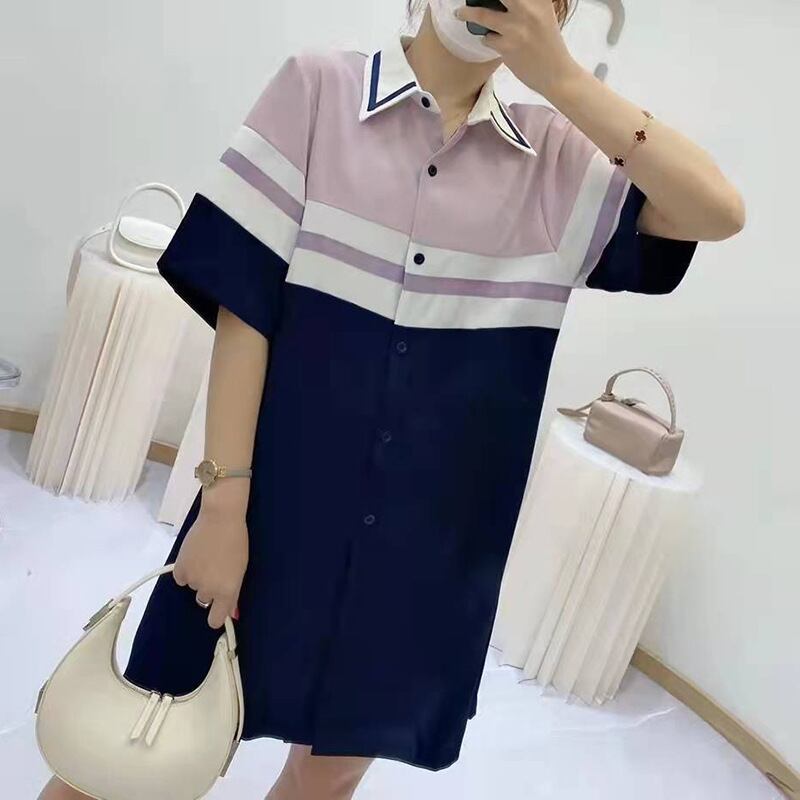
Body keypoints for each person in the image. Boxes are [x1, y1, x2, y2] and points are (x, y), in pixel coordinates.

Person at [39, 0, 745, 798]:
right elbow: (245, 311)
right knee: (125, 750)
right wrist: (224, 511)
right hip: (269, 512)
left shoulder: (557, 160)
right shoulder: (317, 93)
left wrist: (562, 80)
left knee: (327, 775)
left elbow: (716, 211)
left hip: (426, 554)